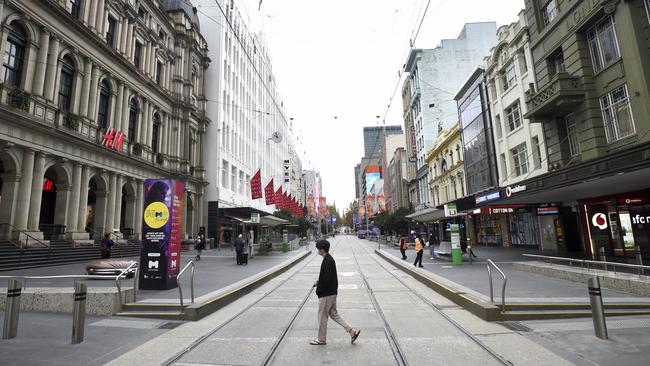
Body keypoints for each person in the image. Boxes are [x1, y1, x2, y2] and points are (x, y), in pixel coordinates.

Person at [310, 240, 361, 346]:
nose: (317, 251)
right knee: (334, 314)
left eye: (318, 249)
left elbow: (327, 279)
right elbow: (326, 277)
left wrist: (319, 289)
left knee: (322, 317)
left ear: (322, 249)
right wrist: (318, 282)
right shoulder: (329, 259)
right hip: (332, 293)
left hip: (326, 294)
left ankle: (321, 339)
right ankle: (352, 331)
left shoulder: (327, 261)